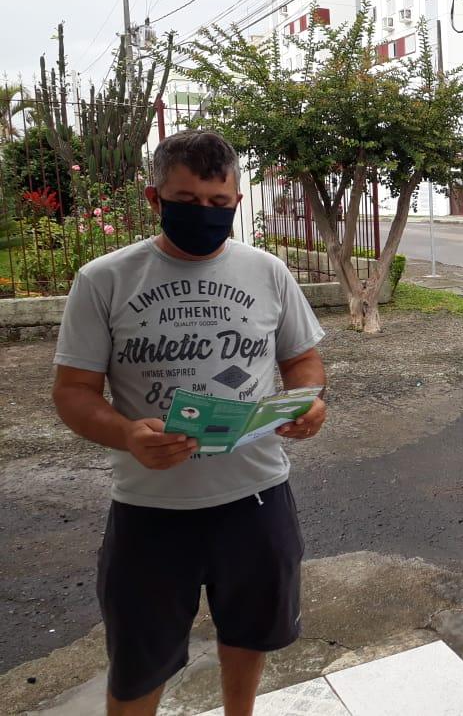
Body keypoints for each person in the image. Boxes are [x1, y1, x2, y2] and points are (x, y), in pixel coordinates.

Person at [52, 130, 327, 716]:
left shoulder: (268, 272)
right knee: (138, 660)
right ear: (154, 199)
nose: (203, 215)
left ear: (236, 201)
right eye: (186, 201)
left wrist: (309, 402)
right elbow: (73, 393)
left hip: (256, 497)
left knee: (251, 633)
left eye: (218, 205)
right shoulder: (104, 279)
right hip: (151, 509)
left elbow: (302, 361)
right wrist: (126, 433)